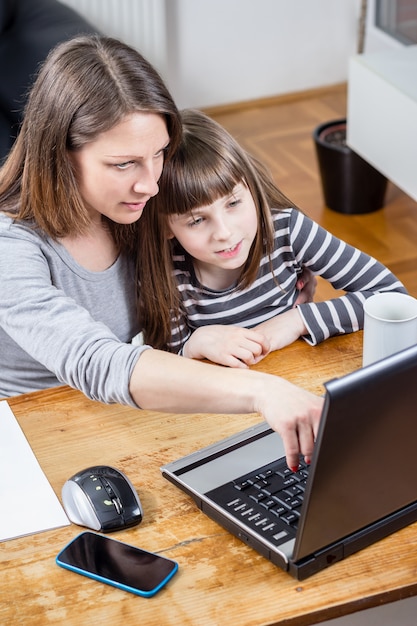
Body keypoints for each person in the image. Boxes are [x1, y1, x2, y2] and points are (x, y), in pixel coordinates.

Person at [0, 34, 322, 472]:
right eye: (123, 164)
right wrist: (261, 391)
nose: (151, 184)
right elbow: (96, 361)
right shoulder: (11, 246)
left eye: (158, 153)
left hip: (125, 417)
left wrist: (275, 285)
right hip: (34, 437)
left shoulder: (141, 202)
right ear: (60, 154)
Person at [136, 108, 406, 368]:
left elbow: (394, 298)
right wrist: (192, 346)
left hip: (297, 380)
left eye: (233, 204)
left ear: (251, 189)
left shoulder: (288, 230)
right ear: (166, 226)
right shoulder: (165, 275)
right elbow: (166, 368)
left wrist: (296, 321)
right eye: (196, 220)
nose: (224, 232)